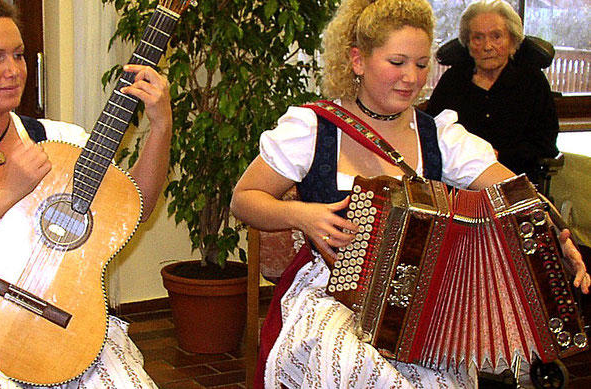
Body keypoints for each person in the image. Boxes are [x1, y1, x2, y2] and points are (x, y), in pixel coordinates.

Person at [230, 0, 590, 388]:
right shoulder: (313, 127)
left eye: (421, 64)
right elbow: (244, 199)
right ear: (358, 60)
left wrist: (557, 237)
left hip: (424, 302)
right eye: (397, 62)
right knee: (357, 365)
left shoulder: (440, 136)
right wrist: (302, 216)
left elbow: (518, 195)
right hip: (333, 290)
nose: (411, 78)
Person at [0, 0, 171, 387]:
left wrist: (161, 128)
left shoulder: (59, 139)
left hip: (66, 325)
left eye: (18, 55)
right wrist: (6, 194)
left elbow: (134, 208)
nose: (13, 71)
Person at [424, 0, 559, 185]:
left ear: (511, 40)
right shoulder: (453, 79)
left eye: (496, 37)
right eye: (478, 38)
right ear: (468, 43)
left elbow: (545, 143)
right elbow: (430, 130)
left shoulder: (532, 81)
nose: (487, 46)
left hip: (514, 180)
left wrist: (497, 155)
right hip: (457, 183)